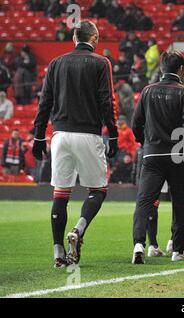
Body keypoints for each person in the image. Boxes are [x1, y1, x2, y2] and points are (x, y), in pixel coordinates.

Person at [32, 20, 119, 268]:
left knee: (61, 194)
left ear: (74, 39)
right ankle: (79, 230)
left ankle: (58, 252)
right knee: (98, 190)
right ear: (95, 38)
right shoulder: (102, 63)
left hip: (59, 136)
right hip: (88, 135)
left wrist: (39, 136)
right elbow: (107, 102)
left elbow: (44, 102)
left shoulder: (56, 63)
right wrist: (112, 134)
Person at [131, 51, 184, 264]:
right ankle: (177, 251)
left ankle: (139, 245)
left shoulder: (147, 91)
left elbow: (136, 123)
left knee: (144, 201)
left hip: (152, 154)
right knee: (179, 203)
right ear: (181, 69)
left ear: (161, 68)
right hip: (177, 156)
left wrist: (145, 142)